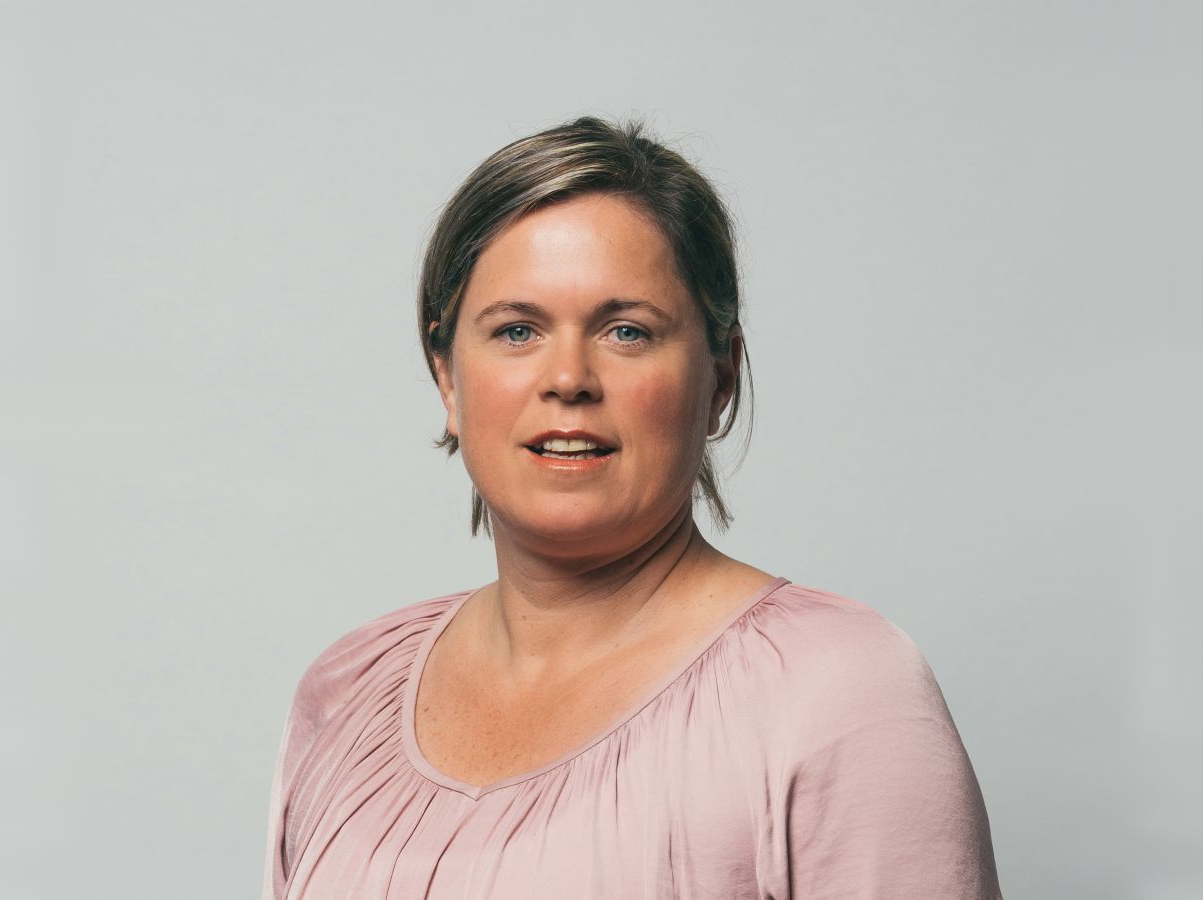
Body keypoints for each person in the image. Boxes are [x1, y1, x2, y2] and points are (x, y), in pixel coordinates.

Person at [259, 116, 1003, 899]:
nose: (569, 378)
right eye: (517, 330)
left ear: (720, 377)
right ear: (447, 376)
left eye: (626, 331)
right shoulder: (344, 693)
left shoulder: (839, 691)